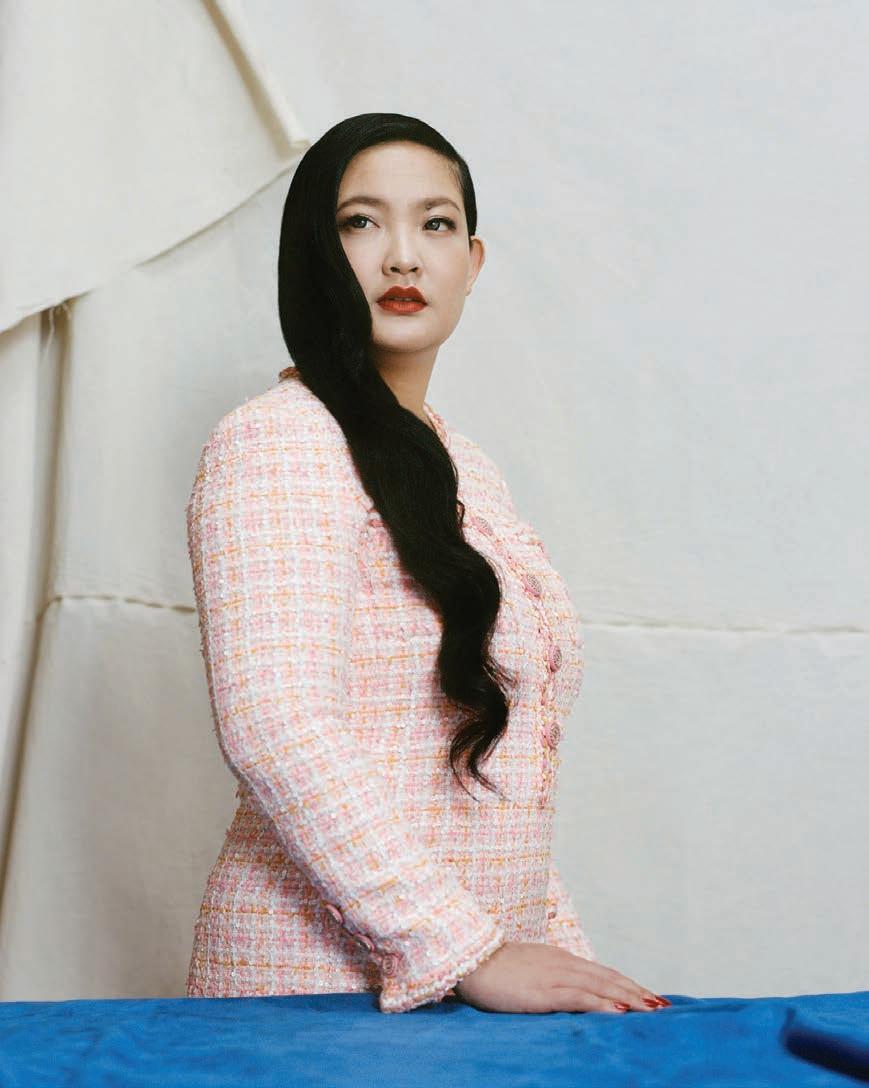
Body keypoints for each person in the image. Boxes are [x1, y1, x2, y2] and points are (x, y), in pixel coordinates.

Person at [184, 112, 669, 1016]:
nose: (403, 256)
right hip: (316, 994)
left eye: (435, 224)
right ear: (312, 255)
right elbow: (277, 726)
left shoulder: (466, 467)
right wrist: (467, 951)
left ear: (472, 263)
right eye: (360, 222)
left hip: (474, 986)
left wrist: (563, 959)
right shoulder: (277, 441)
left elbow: (499, 775)